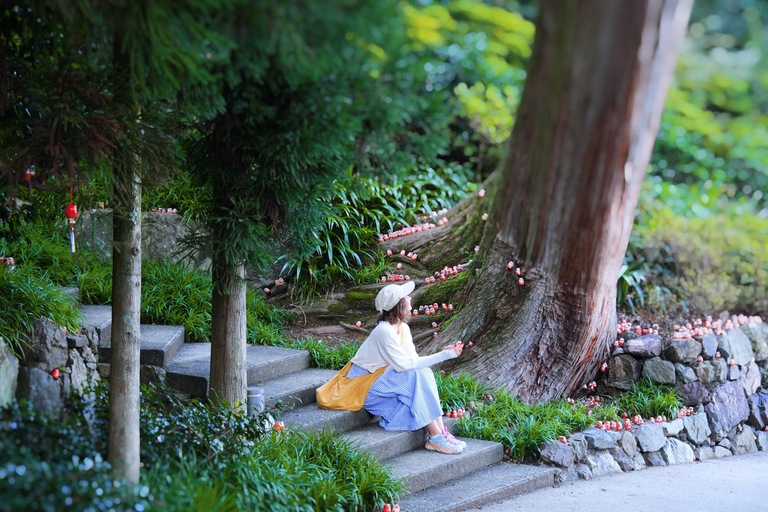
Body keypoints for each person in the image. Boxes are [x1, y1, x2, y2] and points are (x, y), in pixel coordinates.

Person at [346, 280, 466, 454]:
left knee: (423, 372)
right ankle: (435, 436)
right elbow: (405, 366)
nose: (410, 298)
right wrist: (445, 355)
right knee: (414, 376)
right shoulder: (383, 331)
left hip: (382, 377)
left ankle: (441, 432)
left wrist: (444, 353)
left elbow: (413, 360)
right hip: (364, 384)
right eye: (406, 297)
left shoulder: (403, 328)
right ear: (398, 306)